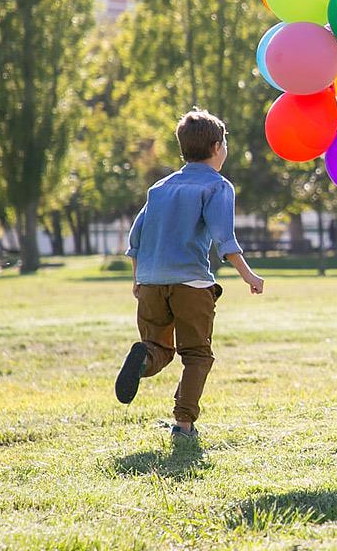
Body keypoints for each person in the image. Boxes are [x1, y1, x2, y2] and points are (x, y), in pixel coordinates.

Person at [115, 109, 265, 442]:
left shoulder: (160, 187)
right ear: (216, 147)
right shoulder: (217, 186)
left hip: (152, 282)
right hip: (191, 283)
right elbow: (224, 239)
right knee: (196, 354)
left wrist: (138, 280)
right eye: (225, 143)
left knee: (159, 348)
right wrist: (249, 276)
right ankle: (183, 425)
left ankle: (142, 361)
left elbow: (135, 239)